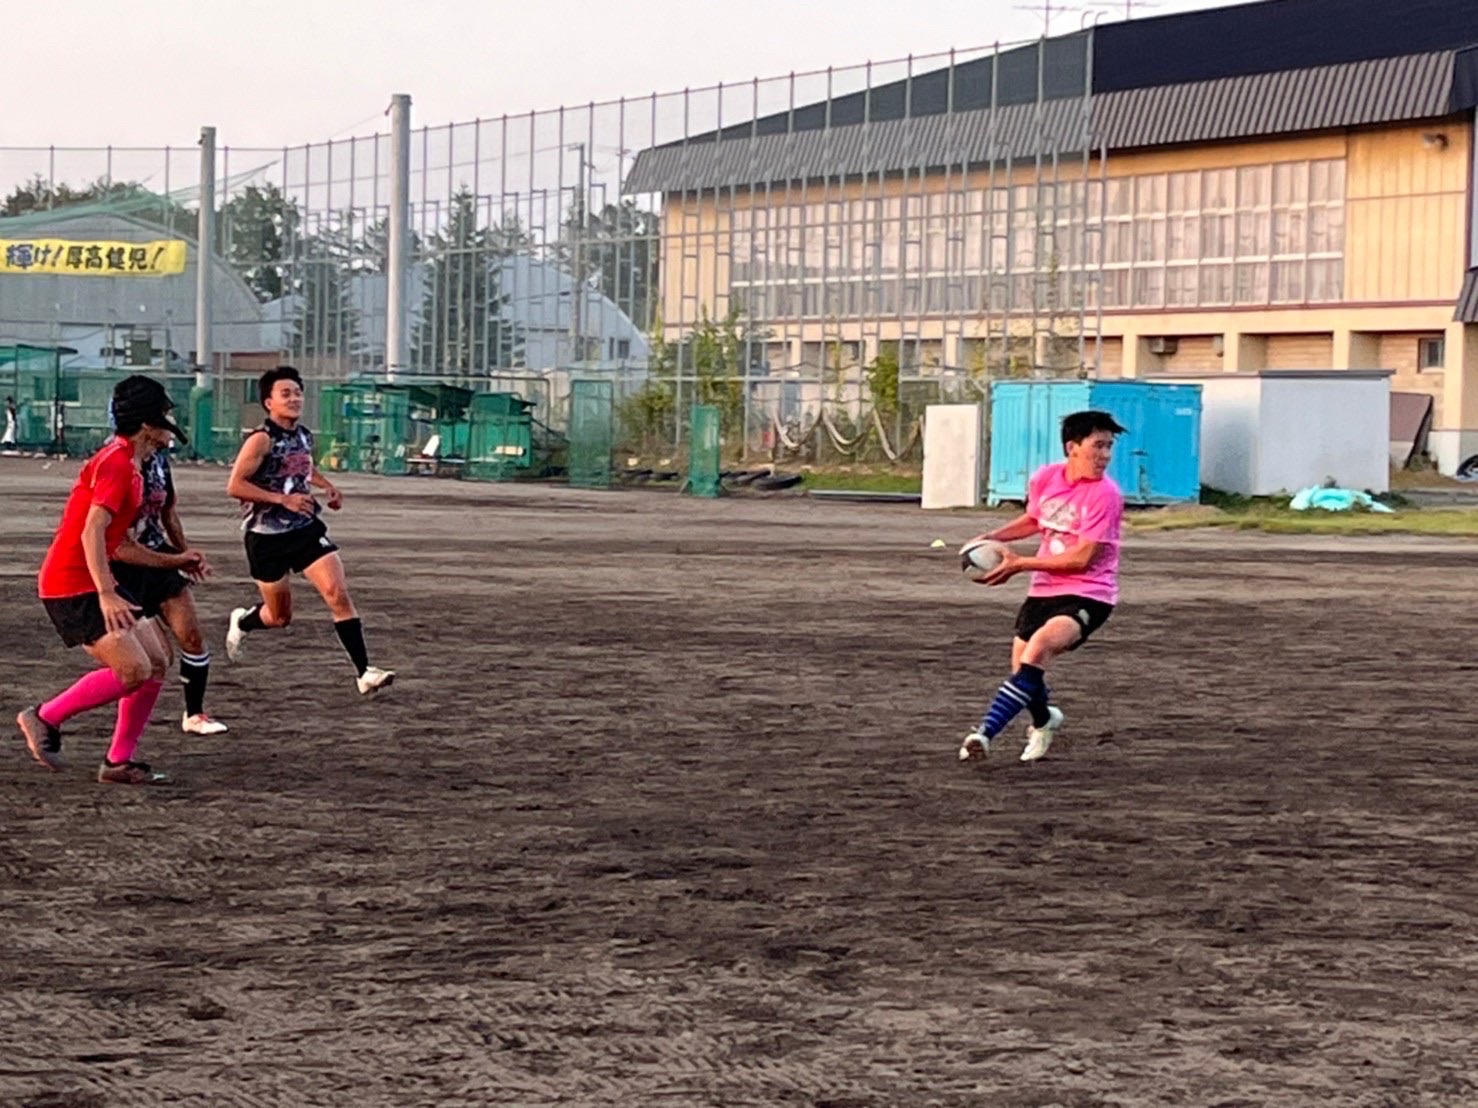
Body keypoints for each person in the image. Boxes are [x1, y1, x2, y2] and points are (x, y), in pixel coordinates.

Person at [16, 376, 192, 785]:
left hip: (95, 577)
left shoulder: (133, 464)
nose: (170, 421)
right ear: (147, 424)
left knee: (157, 662)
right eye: (164, 413)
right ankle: (44, 717)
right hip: (70, 584)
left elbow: (120, 544)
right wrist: (107, 593)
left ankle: (117, 762)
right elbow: (91, 531)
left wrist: (176, 560)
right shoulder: (116, 462)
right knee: (133, 670)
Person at [958, 409, 1127, 764]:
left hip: (1089, 592)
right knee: (1023, 672)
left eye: (1109, 447)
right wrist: (992, 537)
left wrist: (1019, 564)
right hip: (1043, 590)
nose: (1106, 455)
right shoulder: (1046, 478)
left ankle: (983, 734)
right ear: (1072, 447)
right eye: (1098, 446)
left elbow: (1082, 559)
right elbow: (1036, 519)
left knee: (1037, 650)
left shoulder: (1106, 495)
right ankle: (1044, 720)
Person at [224, 366, 394, 695]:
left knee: (337, 593)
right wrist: (281, 499)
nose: (295, 399)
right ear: (268, 402)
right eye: (285, 394)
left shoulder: (303, 435)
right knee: (279, 616)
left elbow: (303, 466)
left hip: (304, 528)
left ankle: (364, 672)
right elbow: (235, 486)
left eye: (298, 393)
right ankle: (243, 621)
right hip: (266, 538)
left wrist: (327, 486)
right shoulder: (261, 439)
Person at [110, 442, 230, 735]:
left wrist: (185, 554)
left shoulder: (160, 462)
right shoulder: (116, 462)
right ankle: (125, 729)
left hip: (160, 557)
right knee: (154, 659)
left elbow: (169, 513)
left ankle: (195, 714)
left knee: (191, 636)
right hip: (123, 565)